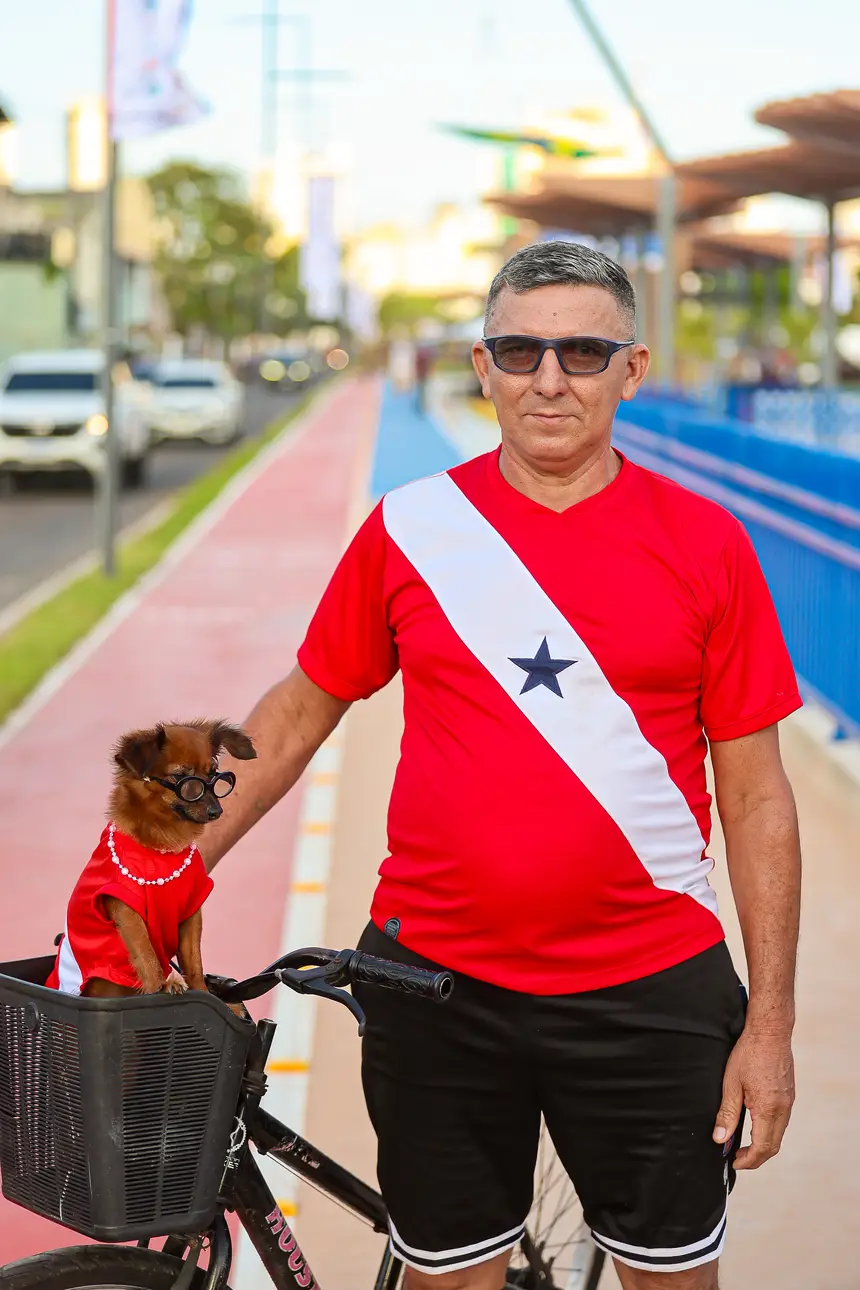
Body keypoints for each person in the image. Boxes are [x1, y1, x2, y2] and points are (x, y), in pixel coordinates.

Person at [202, 241, 801, 1290]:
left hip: (649, 992)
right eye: (519, 351)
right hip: (434, 988)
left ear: (631, 369)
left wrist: (771, 1025)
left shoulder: (707, 543)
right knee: (448, 1274)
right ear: (481, 368)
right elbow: (293, 715)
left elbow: (754, 796)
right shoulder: (409, 529)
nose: (548, 379)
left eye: (582, 352)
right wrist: (160, 864)